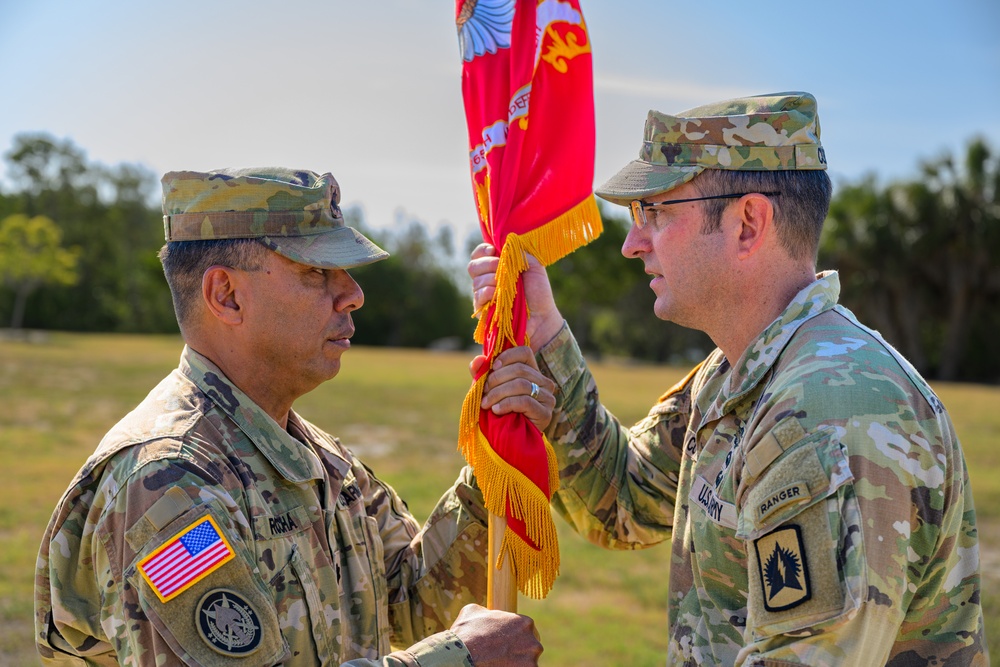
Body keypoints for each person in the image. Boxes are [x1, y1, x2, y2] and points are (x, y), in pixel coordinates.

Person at [469, 93, 987, 665]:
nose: (631, 243)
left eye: (657, 213)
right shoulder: (739, 372)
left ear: (747, 223)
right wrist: (544, 337)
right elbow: (627, 499)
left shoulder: (828, 409)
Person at [35, 167, 545, 666]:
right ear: (227, 296)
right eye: (317, 273)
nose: (354, 294)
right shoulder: (169, 484)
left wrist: (495, 463)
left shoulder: (319, 458)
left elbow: (411, 601)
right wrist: (456, 661)